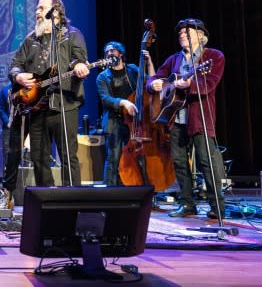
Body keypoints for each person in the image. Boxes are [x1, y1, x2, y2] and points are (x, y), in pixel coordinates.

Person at [147, 18, 225, 219]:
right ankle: (187, 204)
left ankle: (217, 206)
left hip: (199, 118)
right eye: (180, 33)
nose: (182, 35)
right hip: (175, 118)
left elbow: (209, 84)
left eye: (187, 32)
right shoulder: (174, 59)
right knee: (180, 163)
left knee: (206, 162)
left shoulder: (213, 56)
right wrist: (153, 85)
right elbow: (156, 77)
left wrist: (188, 84)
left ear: (200, 35)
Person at [9, 0, 89, 188]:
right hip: (36, 107)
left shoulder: (72, 34)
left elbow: (78, 58)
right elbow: (15, 65)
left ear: (56, 12)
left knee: (67, 156)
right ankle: (46, 203)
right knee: (39, 158)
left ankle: (72, 201)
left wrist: (78, 65)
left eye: (41, 8)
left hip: (64, 104)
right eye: (37, 8)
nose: (37, 12)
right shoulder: (31, 39)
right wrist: (18, 76)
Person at [96, 41, 154, 186]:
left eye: (113, 50)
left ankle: (143, 188)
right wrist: (124, 102)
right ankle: (109, 192)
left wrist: (149, 63)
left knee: (140, 156)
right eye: (107, 52)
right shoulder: (102, 77)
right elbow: (106, 99)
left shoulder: (132, 69)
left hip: (135, 121)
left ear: (120, 54)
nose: (109, 53)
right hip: (114, 120)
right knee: (113, 157)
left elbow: (151, 83)